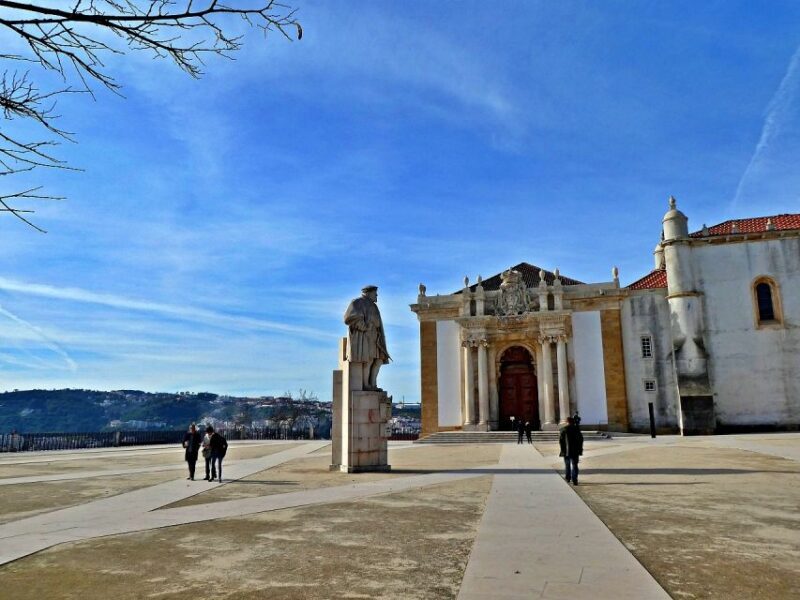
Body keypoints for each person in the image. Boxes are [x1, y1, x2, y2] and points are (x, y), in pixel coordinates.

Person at [344, 285, 391, 391]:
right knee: (368, 361)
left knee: (378, 360)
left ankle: (373, 384)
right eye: (375, 293)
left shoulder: (374, 306)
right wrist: (363, 326)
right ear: (368, 293)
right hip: (365, 337)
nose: (377, 296)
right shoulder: (357, 302)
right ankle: (366, 384)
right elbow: (349, 318)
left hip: (376, 337)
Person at [559, 416, 584, 485]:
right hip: (575, 450)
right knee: (575, 465)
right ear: (573, 422)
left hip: (566, 451)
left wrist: (562, 450)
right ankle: (575, 480)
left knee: (567, 465)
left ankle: (568, 478)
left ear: (567, 422)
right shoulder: (577, 429)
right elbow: (581, 440)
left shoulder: (563, 429)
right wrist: (580, 449)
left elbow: (561, 441)